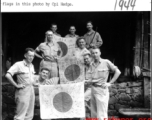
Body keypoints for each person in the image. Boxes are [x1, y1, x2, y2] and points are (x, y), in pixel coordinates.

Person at [90, 47, 121, 120]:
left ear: (100, 53)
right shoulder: (91, 64)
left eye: (96, 52)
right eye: (93, 53)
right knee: (94, 114)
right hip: (92, 89)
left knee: (101, 114)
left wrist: (109, 83)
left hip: (101, 89)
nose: (95, 55)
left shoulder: (106, 62)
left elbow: (118, 72)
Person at [5, 48, 36, 120]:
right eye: (29, 55)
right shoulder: (18, 64)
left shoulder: (32, 65)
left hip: (31, 90)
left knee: (29, 114)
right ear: (25, 55)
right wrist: (16, 85)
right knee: (20, 115)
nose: (31, 57)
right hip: (23, 91)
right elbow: (8, 75)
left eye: (33, 56)